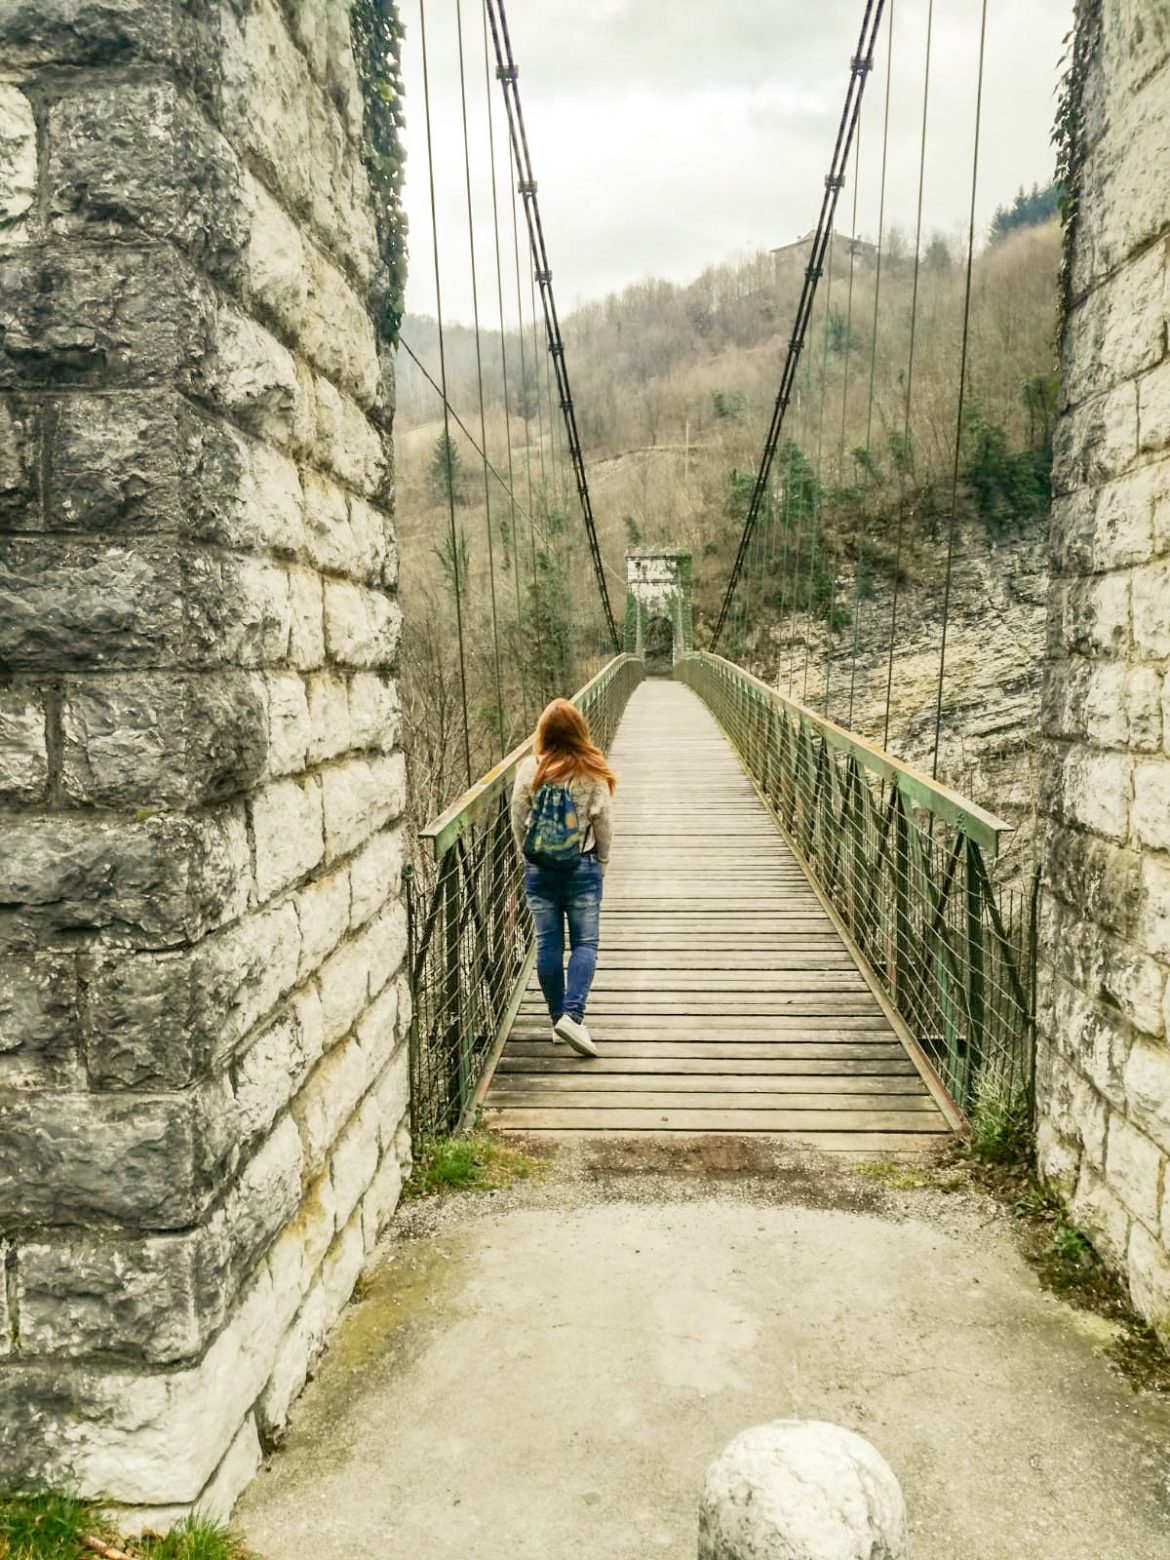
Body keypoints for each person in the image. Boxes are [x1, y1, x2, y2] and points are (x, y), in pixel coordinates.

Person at [510, 698, 616, 1058]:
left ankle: (557, 1019)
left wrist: (529, 859)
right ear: (579, 731)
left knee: (548, 945)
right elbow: (604, 823)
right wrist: (601, 864)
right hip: (582, 866)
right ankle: (572, 1015)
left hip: (540, 871)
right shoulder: (592, 769)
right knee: (585, 944)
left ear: (543, 732)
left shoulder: (529, 769)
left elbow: (518, 819)